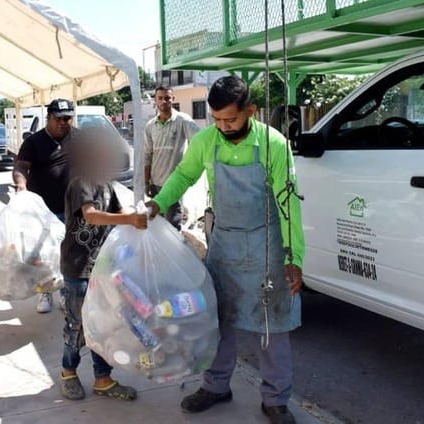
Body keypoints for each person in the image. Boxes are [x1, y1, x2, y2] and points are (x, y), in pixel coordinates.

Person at [146, 75, 305, 424]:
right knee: (218, 321)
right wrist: (157, 204)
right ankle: (216, 386)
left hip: (268, 244)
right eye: (216, 120)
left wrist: (295, 258)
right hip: (225, 242)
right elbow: (183, 176)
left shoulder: (273, 144)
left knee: (272, 325)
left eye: (230, 120)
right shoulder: (206, 140)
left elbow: (288, 203)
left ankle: (276, 399)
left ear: (250, 111)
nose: (223, 127)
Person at [59, 128, 146, 402]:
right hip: (78, 269)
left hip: (101, 268)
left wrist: (143, 217)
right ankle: (68, 373)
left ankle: (103, 379)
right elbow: (93, 216)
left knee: (102, 325)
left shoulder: (107, 185)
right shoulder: (80, 183)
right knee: (77, 325)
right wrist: (128, 221)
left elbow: (120, 212)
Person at [13, 98, 75, 313]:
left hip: (72, 209)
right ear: (49, 117)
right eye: (59, 118)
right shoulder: (34, 142)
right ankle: (45, 293)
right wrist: (21, 186)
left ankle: (66, 295)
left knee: (68, 256)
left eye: (68, 118)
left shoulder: (79, 138)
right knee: (43, 257)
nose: (64, 122)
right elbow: (20, 167)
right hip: (42, 212)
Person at [144, 85, 200, 230]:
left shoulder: (183, 121)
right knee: (156, 223)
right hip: (155, 183)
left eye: (167, 98)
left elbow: (200, 143)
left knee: (173, 226)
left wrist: (189, 165)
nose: (164, 101)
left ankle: (174, 253)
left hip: (174, 184)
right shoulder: (150, 126)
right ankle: (160, 252)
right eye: (160, 98)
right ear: (155, 101)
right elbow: (147, 156)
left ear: (173, 99)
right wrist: (146, 181)